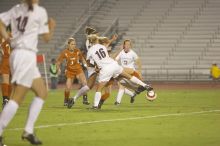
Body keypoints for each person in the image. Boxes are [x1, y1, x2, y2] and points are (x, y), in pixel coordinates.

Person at [0, 0, 55, 145]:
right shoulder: (39, 11)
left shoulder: (17, 9)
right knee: (18, 97)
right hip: (25, 55)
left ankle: (28, 131)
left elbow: (0, 22)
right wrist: (51, 26)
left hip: (18, 54)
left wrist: (7, 38)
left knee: (42, 92)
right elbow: (47, 38)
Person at [83, 35, 153, 109]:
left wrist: (94, 67)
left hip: (106, 69)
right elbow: (106, 46)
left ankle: (95, 106)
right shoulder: (102, 47)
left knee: (99, 88)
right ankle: (144, 85)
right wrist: (112, 40)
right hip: (114, 65)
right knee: (126, 77)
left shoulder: (90, 50)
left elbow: (88, 63)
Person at [56, 38, 90, 106]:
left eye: (74, 44)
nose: (74, 45)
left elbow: (82, 59)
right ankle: (66, 100)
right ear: (68, 44)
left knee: (84, 83)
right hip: (70, 71)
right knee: (68, 87)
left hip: (78, 70)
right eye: (72, 44)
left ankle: (85, 99)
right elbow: (58, 62)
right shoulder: (64, 52)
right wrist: (58, 69)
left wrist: (86, 65)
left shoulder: (77, 51)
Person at [114, 39, 142, 105]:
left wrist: (139, 72)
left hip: (131, 72)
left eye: (129, 44)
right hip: (123, 71)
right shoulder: (121, 52)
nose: (127, 46)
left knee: (122, 86)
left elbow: (139, 62)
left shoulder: (133, 53)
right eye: (126, 44)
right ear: (124, 45)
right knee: (121, 86)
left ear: (130, 46)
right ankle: (131, 95)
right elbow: (115, 59)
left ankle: (119, 101)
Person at [0, 27, 11, 109]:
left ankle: (5, 100)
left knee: (5, 80)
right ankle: (8, 100)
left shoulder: (1, 36)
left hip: (5, 60)